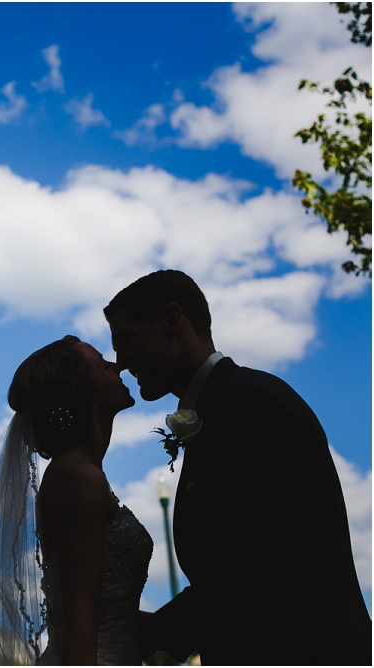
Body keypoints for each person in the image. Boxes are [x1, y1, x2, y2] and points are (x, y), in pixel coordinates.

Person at [104, 269, 371, 665]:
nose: (122, 362)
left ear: (172, 320)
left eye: (127, 340)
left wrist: (147, 635)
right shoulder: (229, 403)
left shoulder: (251, 406)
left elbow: (270, 566)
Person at [0, 335, 153, 665]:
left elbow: (110, 609)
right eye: (102, 364)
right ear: (88, 397)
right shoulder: (76, 476)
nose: (117, 365)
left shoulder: (79, 472)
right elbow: (80, 612)